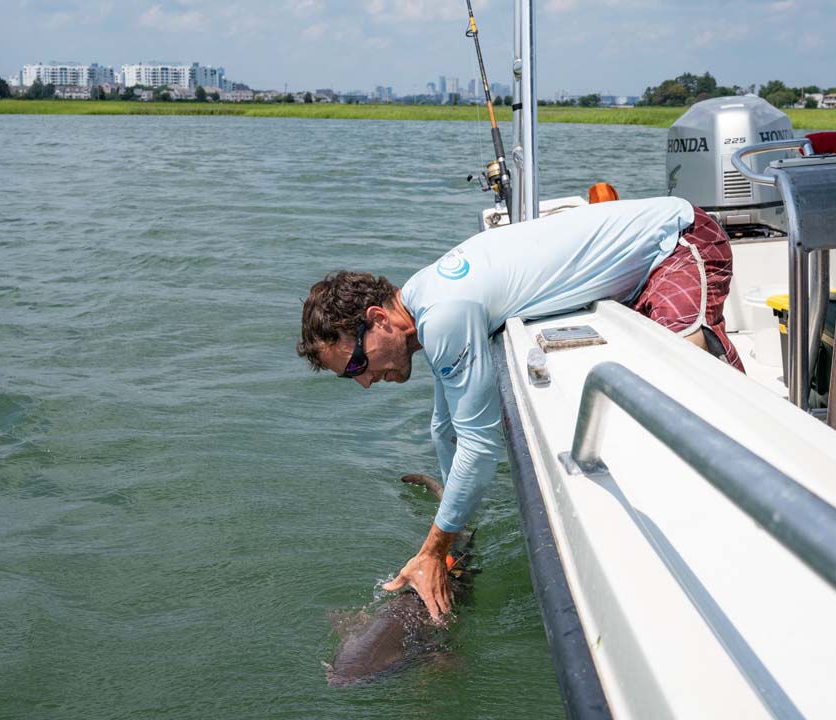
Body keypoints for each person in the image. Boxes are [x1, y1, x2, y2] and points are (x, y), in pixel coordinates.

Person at [296, 196, 743, 621]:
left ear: (377, 319)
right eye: (349, 375)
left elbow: (479, 445)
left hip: (678, 242)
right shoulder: (421, 299)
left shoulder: (445, 313)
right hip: (640, 271)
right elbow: (445, 428)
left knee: (686, 370)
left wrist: (433, 549)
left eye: (357, 362)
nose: (365, 380)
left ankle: (749, 472)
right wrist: (455, 535)